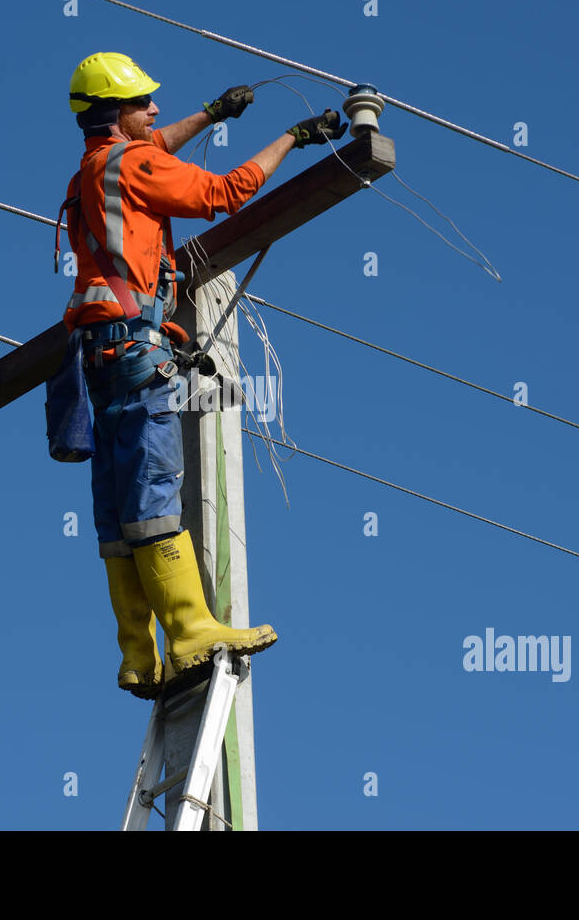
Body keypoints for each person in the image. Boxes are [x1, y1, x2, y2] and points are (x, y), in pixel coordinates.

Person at [60, 52, 346, 698]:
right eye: (143, 101)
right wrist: (291, 140)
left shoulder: (94, 166)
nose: (155, 109)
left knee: (117, 509)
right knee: (154, 490)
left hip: (98, 355)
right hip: (137, 349)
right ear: (115, 113)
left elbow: (154, 145)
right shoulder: (133, 164)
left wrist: (213, 114)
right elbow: (219, 193)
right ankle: (191, 629)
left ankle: (139, 655)